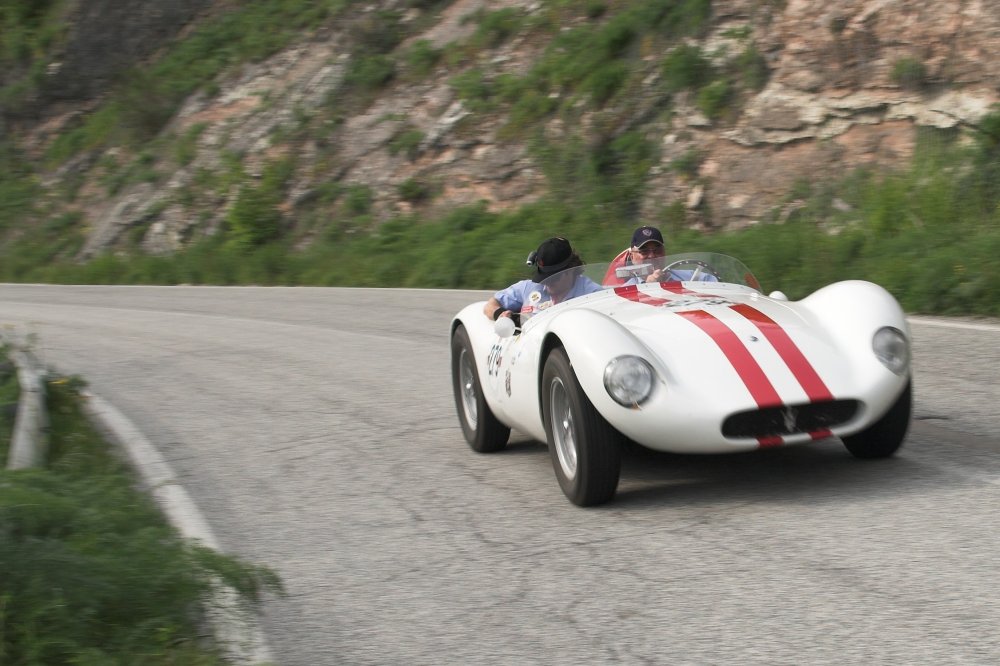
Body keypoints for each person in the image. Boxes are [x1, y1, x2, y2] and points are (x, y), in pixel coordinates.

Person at [484, 237, 603, 323]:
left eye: (553, 277)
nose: (547, 282)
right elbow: (490, 304)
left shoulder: (593, 295)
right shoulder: (527, 288)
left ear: (571, 269)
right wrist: (500, 314)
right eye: (543, 276)